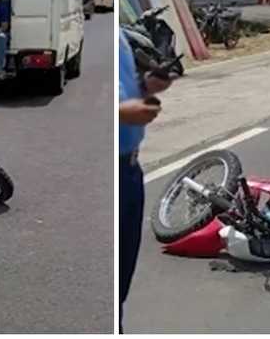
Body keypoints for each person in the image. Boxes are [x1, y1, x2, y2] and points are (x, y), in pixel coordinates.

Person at [117, 28, 172, 332]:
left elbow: (125, 91)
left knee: (121, 284)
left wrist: (146, 87)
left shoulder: (121, 37)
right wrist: (123, 113)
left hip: (131, 170)